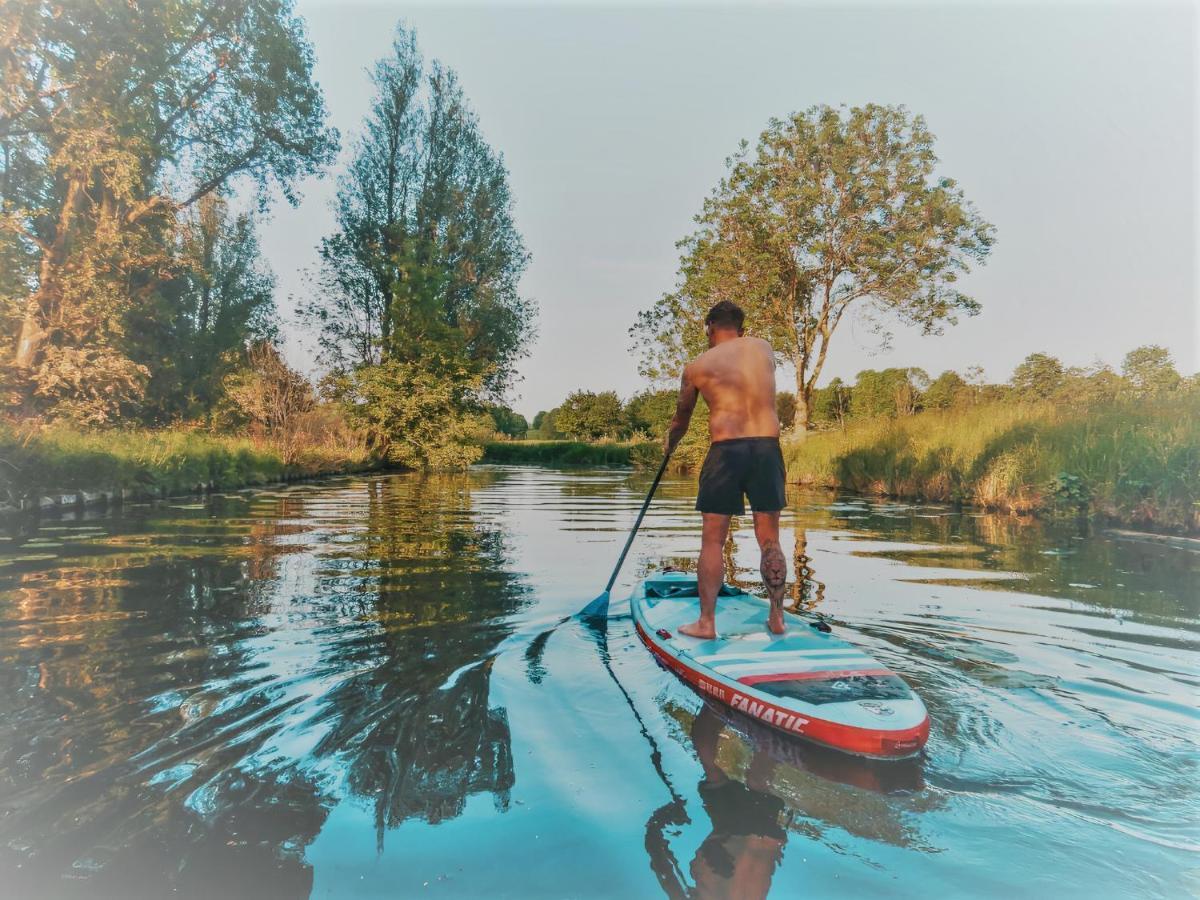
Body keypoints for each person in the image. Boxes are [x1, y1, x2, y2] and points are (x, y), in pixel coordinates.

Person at [665, 300, 787, 638]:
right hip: (766, 448)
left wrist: (670, 443)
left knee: (713, 540)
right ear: (742, 328)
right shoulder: (763, 348)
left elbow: (681, 419)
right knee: (770, 539)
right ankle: (777, 619)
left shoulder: (697, 367)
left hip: (726, 452)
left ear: (708, 327)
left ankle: (706, 623)